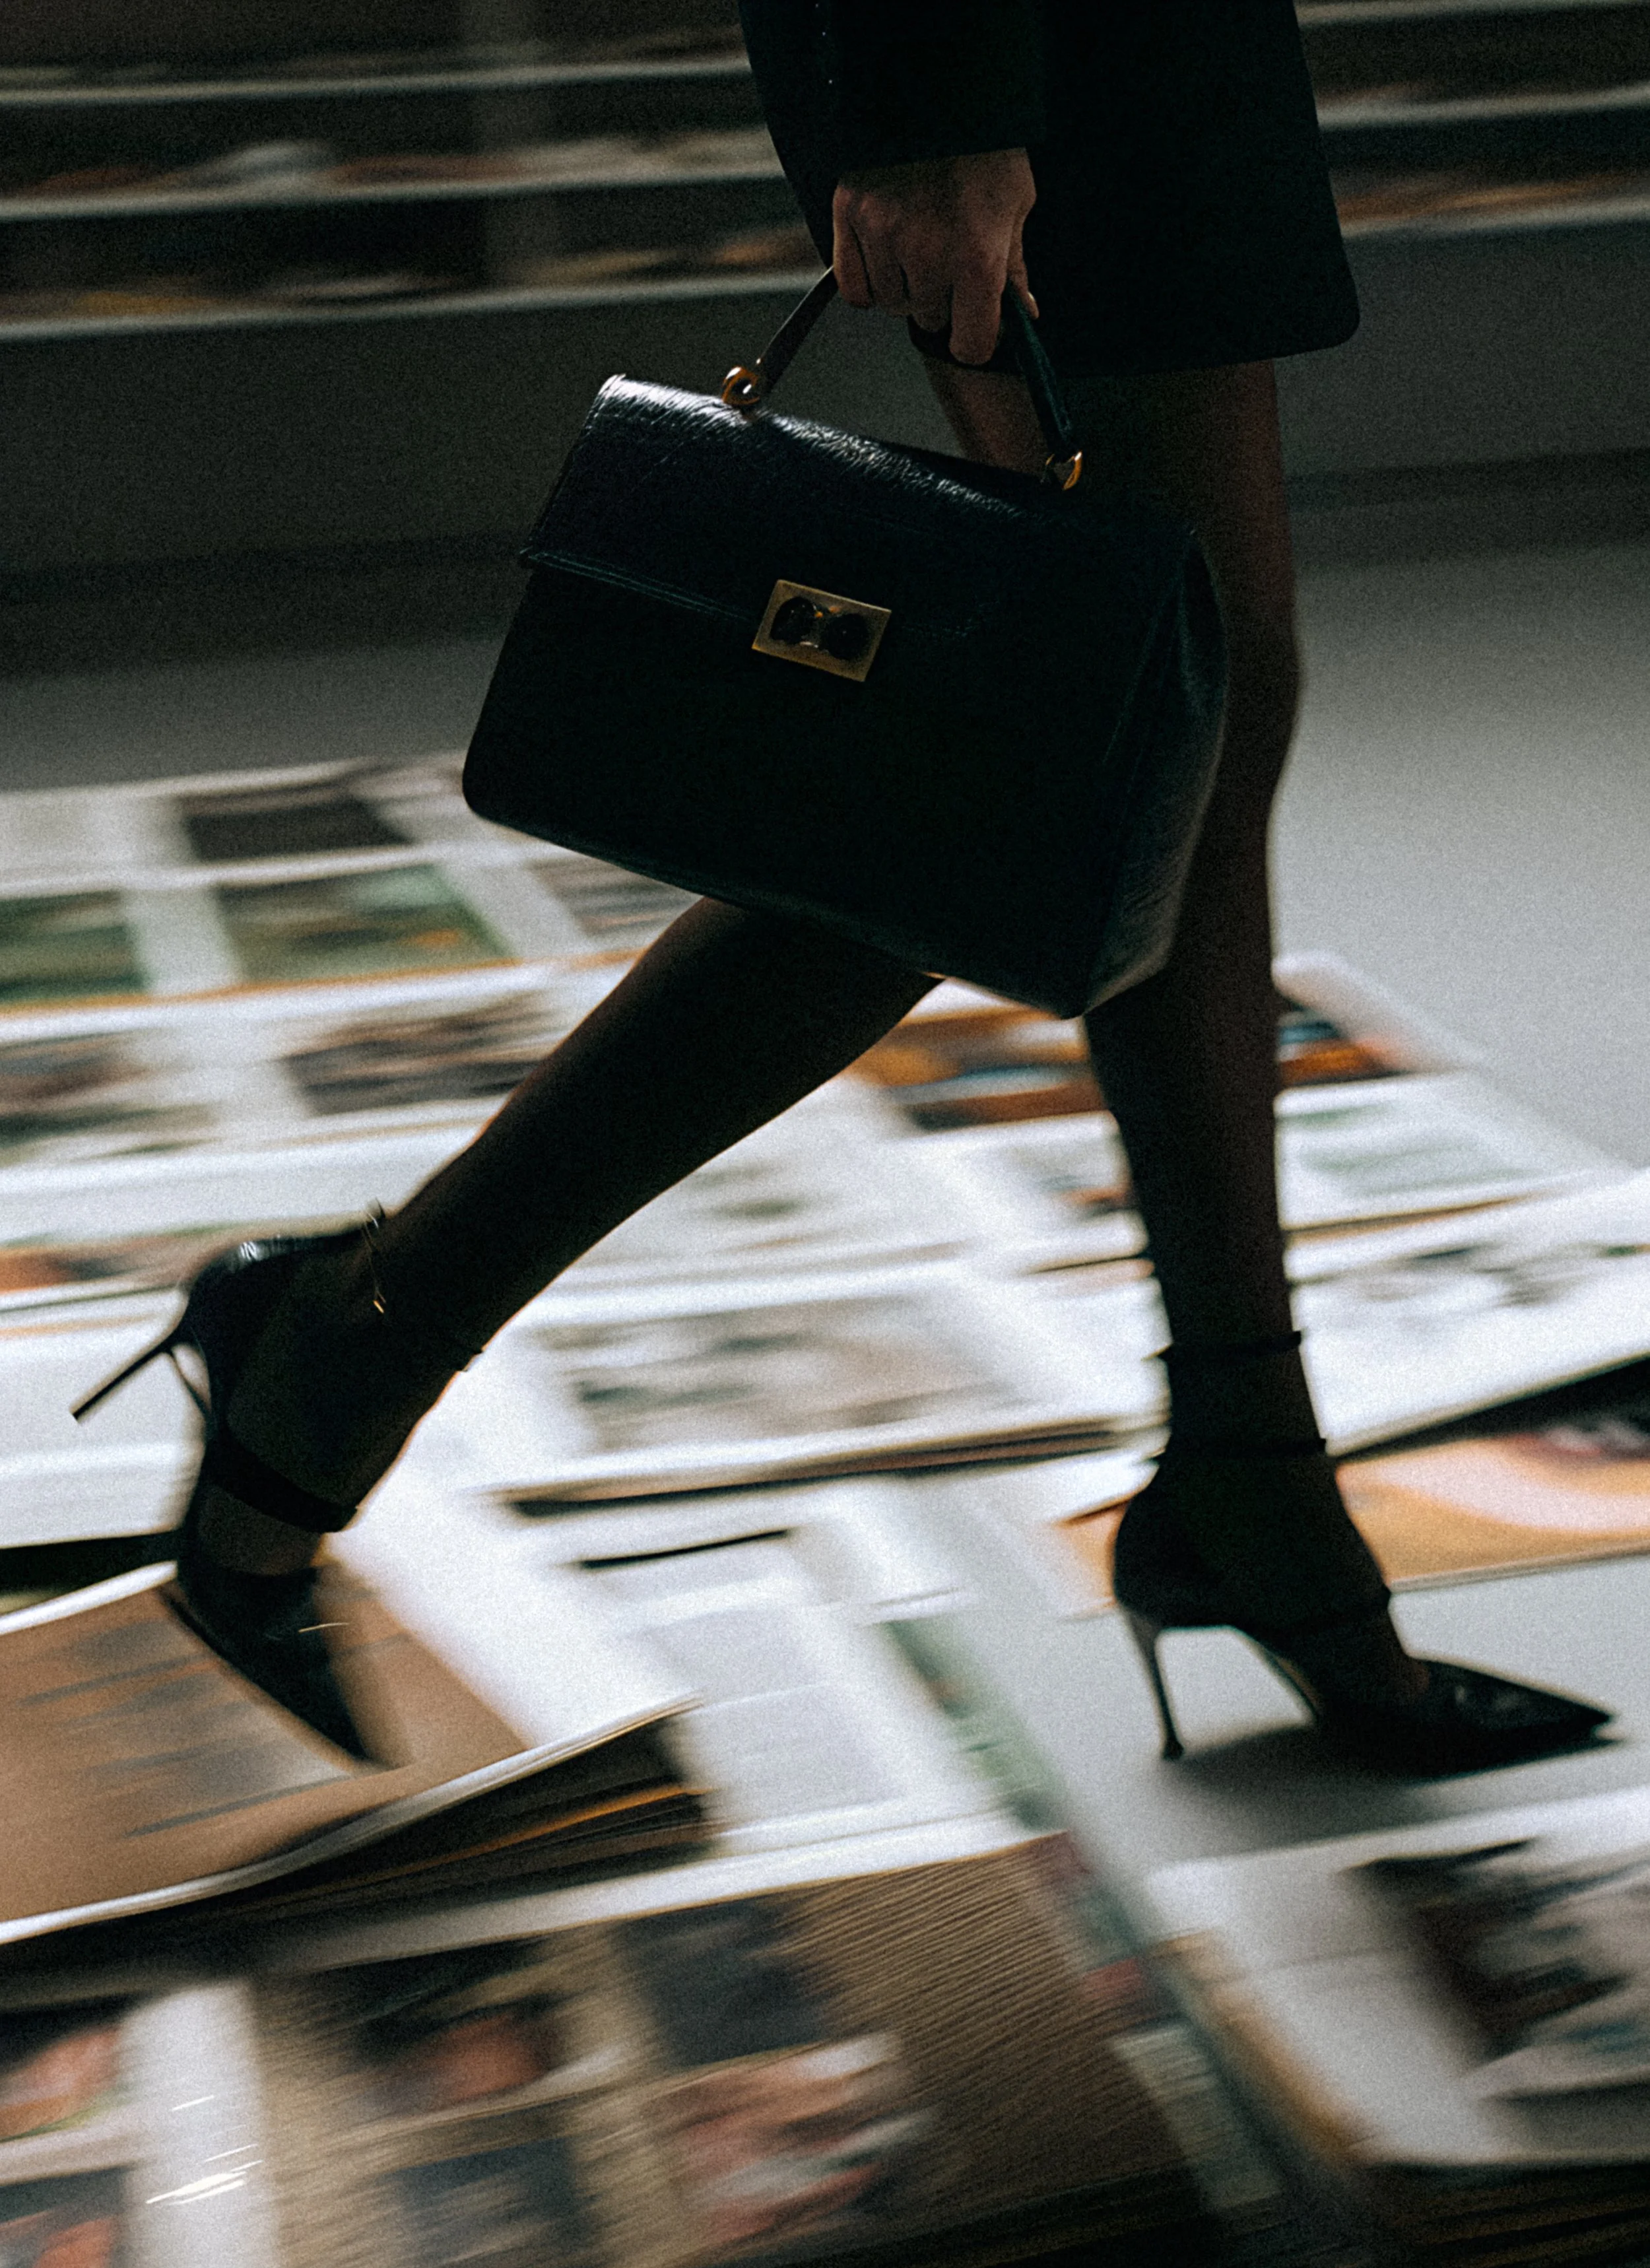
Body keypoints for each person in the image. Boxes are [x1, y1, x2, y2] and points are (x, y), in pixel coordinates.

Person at [79, 0, 1608, 1771]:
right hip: (1035, 42)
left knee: (1170, 722)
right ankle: (353, 1339)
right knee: (1095, 731)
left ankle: (1249, 1469)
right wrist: (928, 90)